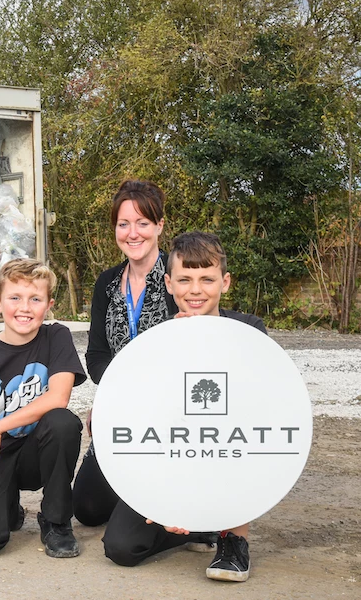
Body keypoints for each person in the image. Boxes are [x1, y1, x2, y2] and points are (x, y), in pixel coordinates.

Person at [100, 231, 265, 581]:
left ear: (225, 282)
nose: (195, 290)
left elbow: (253, 410)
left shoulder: (249, 331)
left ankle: (234, 539)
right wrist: (163, 495)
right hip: (172, 455)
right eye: (185, 280)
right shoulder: (154, 342)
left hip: (225, 453)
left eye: (207, 279)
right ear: (169, 283)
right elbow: (146, 422)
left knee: (246, 433)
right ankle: (194, 528)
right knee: (120, 548)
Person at [0, 259, 86, 558]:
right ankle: (8, 506)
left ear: (48, 304)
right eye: (15, 298)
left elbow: (58, 397)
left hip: (38, 451)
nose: (24, 308)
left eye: (35, 299)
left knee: (62, 422)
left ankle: (56, 520)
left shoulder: (56, 337)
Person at [72, 179, 176, 527]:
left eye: (143, 223)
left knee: (133, 527)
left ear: (159, 225)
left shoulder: (178, 280)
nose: (133, 233)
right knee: (86, 509)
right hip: (121, 407)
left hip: (170, 414)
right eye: (124, 223)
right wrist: (111, 399)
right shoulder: (106, 283)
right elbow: (97, 356)